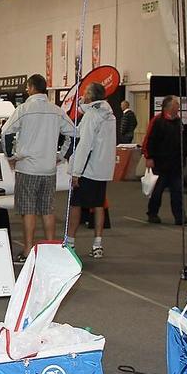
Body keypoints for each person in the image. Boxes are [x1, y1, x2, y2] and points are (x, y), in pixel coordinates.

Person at [1, 74, 76, 262]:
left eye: (27, 87)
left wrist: (11, 156)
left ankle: (27, 250)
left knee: (29, 210)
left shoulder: (23, 109)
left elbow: (6, 132)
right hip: (48, 169)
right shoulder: (56, 110)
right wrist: (61, 156)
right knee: (48, 210)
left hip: (27, 168)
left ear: (32, 87)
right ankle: (51, 249)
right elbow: (74, 134)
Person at [64, 83, 117, 258]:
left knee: (76, 205)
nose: (83, 95)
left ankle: (70, 243)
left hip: (88, 169)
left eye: (85, 93)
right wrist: (81, 104)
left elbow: (84, 145)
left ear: (91, 96)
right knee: (99, 205)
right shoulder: (109, 114)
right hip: (103, 169)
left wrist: (76, 172)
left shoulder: (92, 116)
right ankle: (97, 245)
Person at [142, 95, 187, 225]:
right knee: (157, 191)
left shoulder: (179, 122)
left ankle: (180, 217)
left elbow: (183, 141)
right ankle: (152, 213)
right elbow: (148, 140)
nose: (179, 107)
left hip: (176, 164)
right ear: (168, 107)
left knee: (177, 192)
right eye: (176, 105)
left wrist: (184, 155)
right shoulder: (157, 121)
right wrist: (148, 157)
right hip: (160, 164)